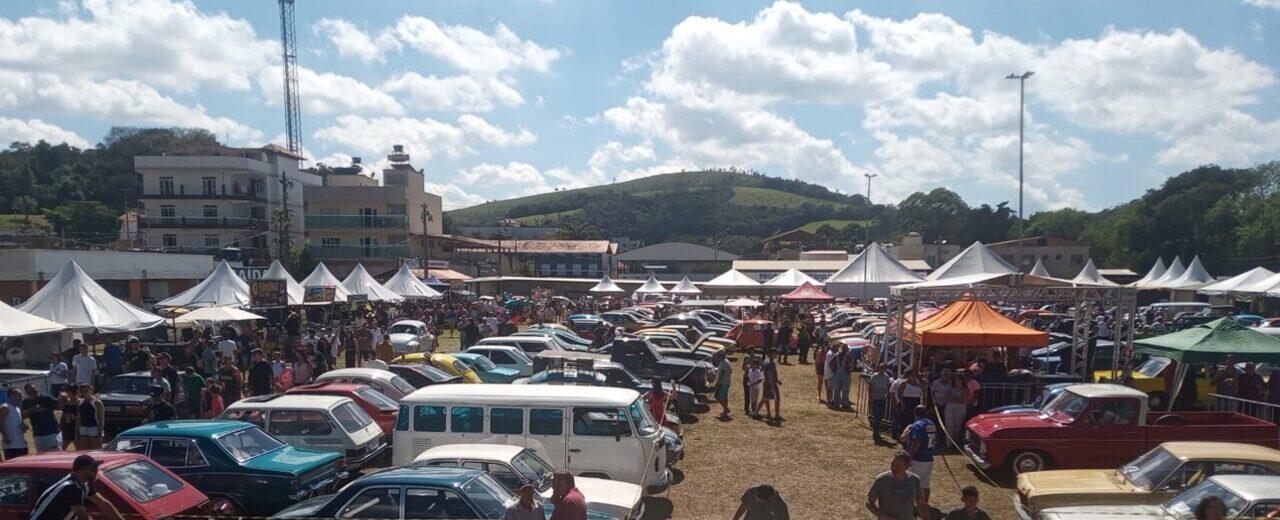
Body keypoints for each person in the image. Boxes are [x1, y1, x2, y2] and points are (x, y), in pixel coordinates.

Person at [29, 454, 124, 520]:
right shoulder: (70, 488)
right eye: (92, 468)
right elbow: (83, 517)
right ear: (81, 470)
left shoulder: (83, 484)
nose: (96, 471)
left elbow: (103, 503)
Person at [866, 451, 926, 520]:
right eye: (892, 463)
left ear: (906, 466)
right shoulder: (882, 479)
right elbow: (869, 503)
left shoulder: (914, 480)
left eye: (898, 465)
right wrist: (881, 516)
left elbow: (921, 504)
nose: (893, 467)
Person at [899, 405, 937, 507]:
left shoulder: (917, 425)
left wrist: (910, 457)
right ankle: (925, 504)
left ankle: (909, 505)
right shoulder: (931, 424)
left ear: (915, 413)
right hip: (929, 458)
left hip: (918, 459)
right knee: (925, 483)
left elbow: (917, 442)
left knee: (911, 482)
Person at [22, 384, 61, 453]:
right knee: (41, 456)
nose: (33, 393)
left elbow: (59, 406)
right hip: (38, 434)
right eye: (30, 392)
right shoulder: (26, 402)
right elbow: (22, 414)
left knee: (55, 454)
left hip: (52, 432)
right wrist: (32, 409)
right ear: (27, 393)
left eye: (34, 391)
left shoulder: (46, 399)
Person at [0, 388, 29, 459]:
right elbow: (0, 422)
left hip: (21, 444)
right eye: (19, 394)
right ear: (11, 395)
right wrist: (5, 436)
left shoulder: (18, 409)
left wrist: (24, 427)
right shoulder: (5, 407)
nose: (21, 396)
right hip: (11, 445)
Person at [867, 364, 892, 444]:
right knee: (877, 417)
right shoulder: (874, 376)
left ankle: (877, 432)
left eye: (883, 368)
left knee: (880, 416)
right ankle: (875, 434)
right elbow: (870, 387)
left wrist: (887, 394)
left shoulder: (886, 377)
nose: (881, 370)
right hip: (876, 398)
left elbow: (888, 386)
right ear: (878, 369)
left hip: (882, 398)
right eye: (880, 368)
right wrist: (871, 397)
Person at [75, 384, 104, 450]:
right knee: (84, 448)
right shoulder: (80, 402)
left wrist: (100, 433)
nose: (85, 393)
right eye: (83, 391)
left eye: (87, 391)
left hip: (94, 427)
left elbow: (101, 419)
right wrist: (76, 432)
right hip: (83, 427)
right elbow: (79, 418)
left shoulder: (97, 402)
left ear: (91, 391)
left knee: (95, 448)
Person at [58, 385, 79, 451]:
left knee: (79, 449)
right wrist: (60, 425)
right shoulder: (67, 404)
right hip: (67, 427)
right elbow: (63, 415)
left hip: (76, 428)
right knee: (62, 448)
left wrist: (74, 418)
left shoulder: (79, 403)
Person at [715, 352, 733, 420]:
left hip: (723, 383)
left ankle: (725, 411)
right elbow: (731, 370)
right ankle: (725, 410)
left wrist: (718, 382)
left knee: (720, 397)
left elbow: (722, 374)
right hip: (726, 382)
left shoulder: (724, 363)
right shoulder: (727, 361)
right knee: (723, 397)